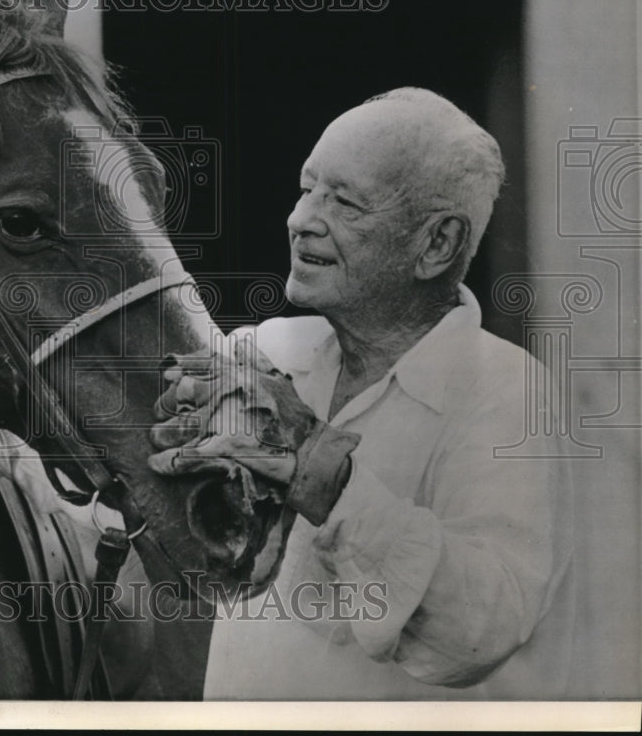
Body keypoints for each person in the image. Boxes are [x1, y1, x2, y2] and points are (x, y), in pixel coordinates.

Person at [149, 87, 575, 699]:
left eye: (344, 202)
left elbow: (478, 630)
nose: (300, 220)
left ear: (437, 244)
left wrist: (325, 472)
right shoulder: (261, 353)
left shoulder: (510, 392)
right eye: (307, 188)